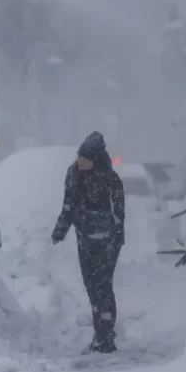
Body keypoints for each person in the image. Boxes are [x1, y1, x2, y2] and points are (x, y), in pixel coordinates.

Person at [51, 131, 125, 354]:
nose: (79, 161)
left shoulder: (111, 179)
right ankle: (101, 332)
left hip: (107, 242)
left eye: (85, 158)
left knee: (103, 286)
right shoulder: (73, 175)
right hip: (85, 239)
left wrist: (118, 239)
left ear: (95, 159)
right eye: (79, 156)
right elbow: (68, 206)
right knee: (92, 287)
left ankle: (105, 336)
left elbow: (120, 213)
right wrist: (59, 231)